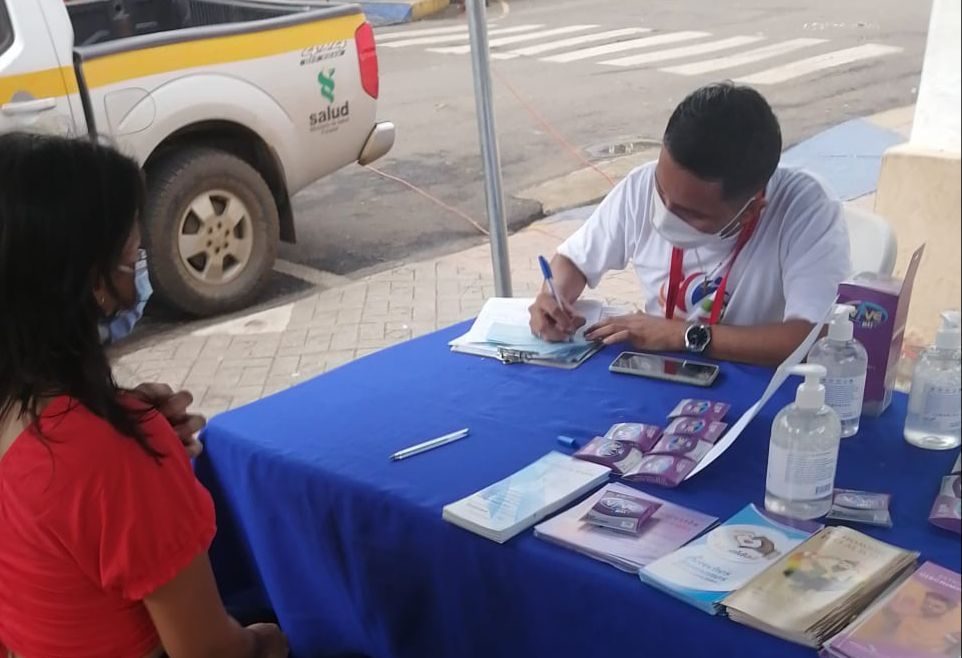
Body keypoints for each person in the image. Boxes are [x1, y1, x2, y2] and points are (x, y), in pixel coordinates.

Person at [0, 133, 288, 658]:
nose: (142, 263)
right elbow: (210, 653)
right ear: (91, 281)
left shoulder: (32, 415)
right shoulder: (109, 451)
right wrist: (270, 640)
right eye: (133, 251)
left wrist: (125, 426)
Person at [529, 83, 851, 366]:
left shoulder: (806, 208)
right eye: (662, 191)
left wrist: (684, 335)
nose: (665, 213)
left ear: (752, 209)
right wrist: (553, 298)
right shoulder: (641, 186)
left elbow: (814, 338)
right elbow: (574, 260)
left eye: (690, 213)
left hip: (752, 383)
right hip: (660, 371)